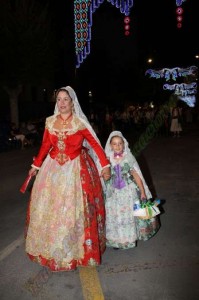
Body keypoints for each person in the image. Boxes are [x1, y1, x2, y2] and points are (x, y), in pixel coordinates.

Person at [25, 86, 111, 272]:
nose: (62, 103)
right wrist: (36, 166)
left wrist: (105, 166)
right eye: (59, 100)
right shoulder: (50, 122)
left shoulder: (80, 123)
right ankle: (53, 251)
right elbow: (45, 146)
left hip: (75, 169)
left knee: (72, 209)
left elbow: (96, 145)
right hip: (52, 168)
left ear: (73, 102)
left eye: (66, 99)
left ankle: (73, 252)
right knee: (51, 209)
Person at [104, 131, 160, 250]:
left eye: (120, 143)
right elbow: (104, 175)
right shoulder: (107, 159)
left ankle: (128, 238)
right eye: (114, 144)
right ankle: (117, 240)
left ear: (124, 144)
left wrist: (143, 191)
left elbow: (136, 175)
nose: (117, 146)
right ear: (110, 145)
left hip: (128, 192)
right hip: (113, 193)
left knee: (127, 215)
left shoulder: (129, 157)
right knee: (115, 215)